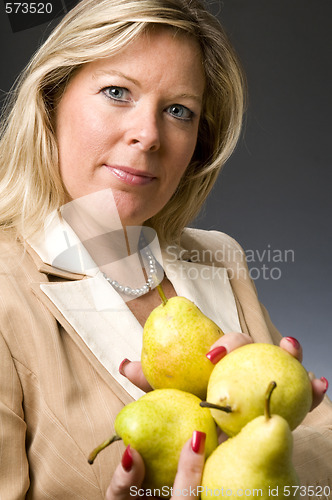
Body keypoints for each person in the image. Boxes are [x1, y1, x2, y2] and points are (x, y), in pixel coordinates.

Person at [0, 0, 331, 498]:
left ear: (200, 139)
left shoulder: (220, 257)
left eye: (179, 110)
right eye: (117, 92)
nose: (149, 135)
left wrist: (246, 446)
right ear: (51, 100)